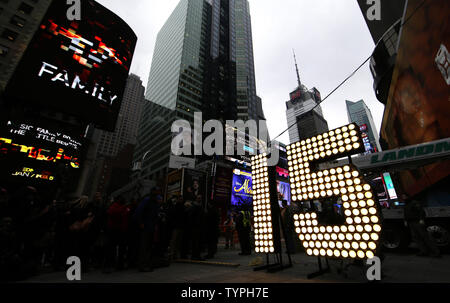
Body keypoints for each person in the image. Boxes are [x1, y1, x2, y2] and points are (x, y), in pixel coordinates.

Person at [135, 188, 163, 272]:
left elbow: (155, 215)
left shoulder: (155, 202)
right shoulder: (147, 200)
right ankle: (142, 265)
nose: (158, 192)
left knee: (148, 247)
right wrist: (141, 223)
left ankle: (146, 264)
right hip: (146, 227)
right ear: (153, 192)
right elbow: (138, 212)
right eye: (157, 191)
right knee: (144, 246)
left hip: (151, 227)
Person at [103, 196, 130, 273]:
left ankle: (119, 264)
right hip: (114, 229)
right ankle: (108, 265)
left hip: (122, 230)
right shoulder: (114, 206)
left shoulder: (123, 207)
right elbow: (113, 213)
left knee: (122, 248)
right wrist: (124, 210)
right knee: (111, 248)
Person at [168, 196, 186, 261]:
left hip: (180, 226)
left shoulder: (181, 206)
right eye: (180, 199)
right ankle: (172, 254)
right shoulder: (176, 206)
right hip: (176, 226)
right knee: (174, 240)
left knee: (177, 241)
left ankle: (174, 254)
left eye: (182, 199)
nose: (181, 200)